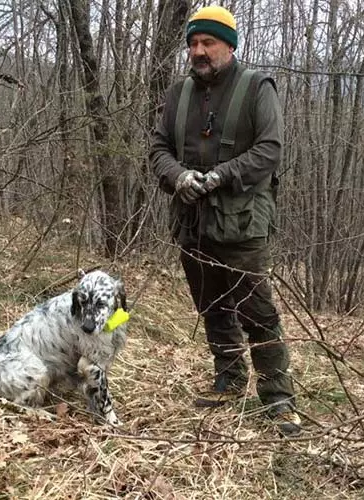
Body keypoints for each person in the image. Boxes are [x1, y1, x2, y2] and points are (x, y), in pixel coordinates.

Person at [149, 5, 301, 436]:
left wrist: (221, 175)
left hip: (242, 224)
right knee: (212, 305)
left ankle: (278, 397)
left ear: (229, 46)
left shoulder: (257, 88)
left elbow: (270, 149)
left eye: (208, 42)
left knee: (257, 310)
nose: (199, 51)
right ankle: (229, 380)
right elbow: (158, 149)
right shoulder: (179, 93)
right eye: (193, 43)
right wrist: (178, 177)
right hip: (191, 222)